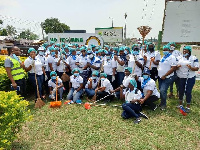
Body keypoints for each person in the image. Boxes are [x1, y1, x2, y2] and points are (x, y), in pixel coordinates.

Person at [176, 46, 199, 113]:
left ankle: (188, 106)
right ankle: (180, 104)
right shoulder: (179, 58)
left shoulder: (193, 58)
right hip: (181, 77)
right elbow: (175, 67)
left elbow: (196, 68)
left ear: (189, 51)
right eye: (184, 51)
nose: (184, 52)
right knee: (180, 91)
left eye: (186, 51)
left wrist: (191, 67)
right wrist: (177, 66)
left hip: (190, 78)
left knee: (188, 92)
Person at [157, 45, 177, 110]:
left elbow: (173, 68)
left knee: (163, 90)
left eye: (166, 50)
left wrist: (165, 75)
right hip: (160, 77)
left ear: (169, 50)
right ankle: (162, 102)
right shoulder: (163, 57)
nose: (165, 51)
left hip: (168, 77)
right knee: (161, 89)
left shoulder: (172, 57)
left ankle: (164, 104)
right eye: (164, 50)